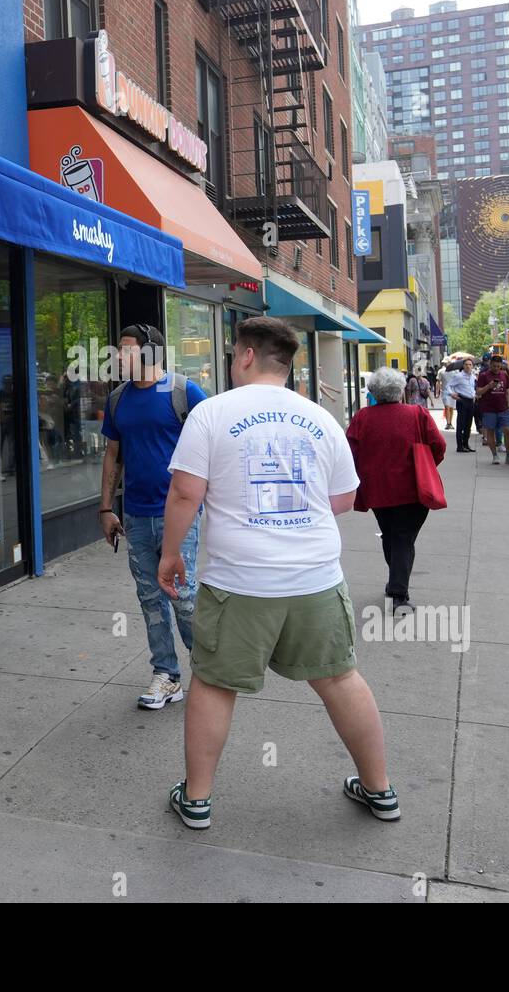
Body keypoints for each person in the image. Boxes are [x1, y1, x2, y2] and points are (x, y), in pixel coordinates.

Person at [157, 317, 399, 828]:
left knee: (215, 684)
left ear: (245, 356)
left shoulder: (211, 414)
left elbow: (184, 493)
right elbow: (345, 498)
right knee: (339, 677)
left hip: (238, 581)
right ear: (286, 364)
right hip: (314, 576)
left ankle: (197, 799)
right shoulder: (321, 418)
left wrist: (171, 553)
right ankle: (380, 789)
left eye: (231, 355)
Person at [100, 324, 208, 710]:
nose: (119, 357)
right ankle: (167, 674)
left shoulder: (183, 392)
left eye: (127, 349)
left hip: (178, 514)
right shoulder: (117, 399)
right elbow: (112, 454)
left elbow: (213, 443)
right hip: (136, 514)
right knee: (150, 598)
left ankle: (209, 669)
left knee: (183, 596)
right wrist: (106, 507)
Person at [346, 367, 447, 612]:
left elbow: (351, 452)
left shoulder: (362, 417)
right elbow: (439, 445)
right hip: (413, 488)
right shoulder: (418, 414)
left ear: (374, 392)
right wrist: (427, 464)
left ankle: (395, 582)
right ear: (400, 390)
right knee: (403, 538)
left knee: (391, 535)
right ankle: (398, 592)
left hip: (378, 489)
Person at [475, 354, 509, 465]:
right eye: (494, 366)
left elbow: (507, 391)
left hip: (503, 408)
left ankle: (508, 455)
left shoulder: (504, 375)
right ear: (490, 364)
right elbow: (478, 392)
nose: (496, 368)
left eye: (498, 366)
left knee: (507, 430)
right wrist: (488, 386)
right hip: (489, 409)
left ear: (501, 365)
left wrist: (508, 405)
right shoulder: (483, 375)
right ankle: (495, 455)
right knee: (490, 432)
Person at [443, 359, 477, 452]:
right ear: (463, 366)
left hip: (471, 401)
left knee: (468, 424)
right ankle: (460, 446)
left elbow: (472, 388)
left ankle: (466, 444)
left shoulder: (473, 377)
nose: (468, 366)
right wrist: (452, 394)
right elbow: (448, 386)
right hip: (462, 400)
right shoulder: (458, 376)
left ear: (472, 366)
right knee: (461, 424)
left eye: (470, 364)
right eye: (466, 364)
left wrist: (474, 395)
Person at [438, 364, 455, 429]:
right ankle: (448, 423)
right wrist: (437, 391)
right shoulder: (441, 371)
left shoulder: (455, 372)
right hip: (444, 392)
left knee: (451, 408)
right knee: (447, 407)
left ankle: (450, 422)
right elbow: (438, 381)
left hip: (453, 392)